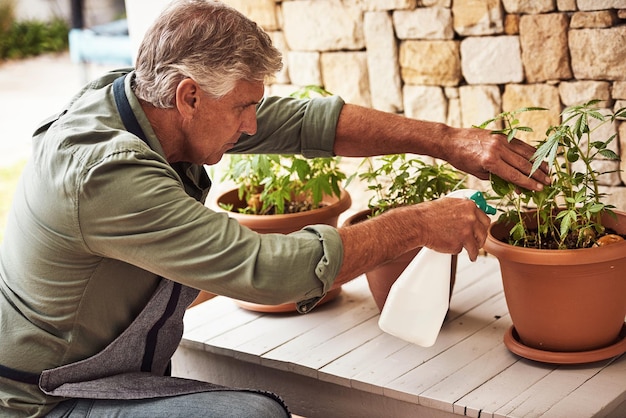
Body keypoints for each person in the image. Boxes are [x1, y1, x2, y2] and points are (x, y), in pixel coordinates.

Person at [0, 0, 550, 416]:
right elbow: (271, 273)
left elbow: (306, 122)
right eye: (243, 106)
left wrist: (448, 140)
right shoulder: (104, 172)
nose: (251, 127)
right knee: (254, 414)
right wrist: (418, 223)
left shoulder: (145, 102)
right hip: (46, 398)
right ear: (190, 95)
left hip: (102, 367)